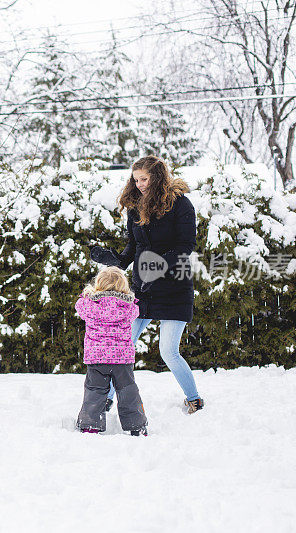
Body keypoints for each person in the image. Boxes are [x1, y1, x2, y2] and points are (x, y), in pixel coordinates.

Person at [90, 156, 204, 414]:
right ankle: (104, 399)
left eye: (144, 179)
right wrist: (115, 262)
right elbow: (135, 245)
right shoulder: (135, 206)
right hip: (144, 288)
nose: (139, 184)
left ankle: (194, 399)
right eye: (136, 179)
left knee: (168, 352)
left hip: (174, 285)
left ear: (158, 177)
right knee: (122, 344)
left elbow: (186, 246)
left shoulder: (180, 205)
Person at [75, 267, 147, 435]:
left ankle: (90, 424)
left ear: (98, 284)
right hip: (122, 359)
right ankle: (136, 426)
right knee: (128, 392)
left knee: (95, 391)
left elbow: (79, 305)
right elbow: (136, 311)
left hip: (97, 358)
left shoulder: (89, 304)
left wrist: (89, 294)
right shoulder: (128, 306)